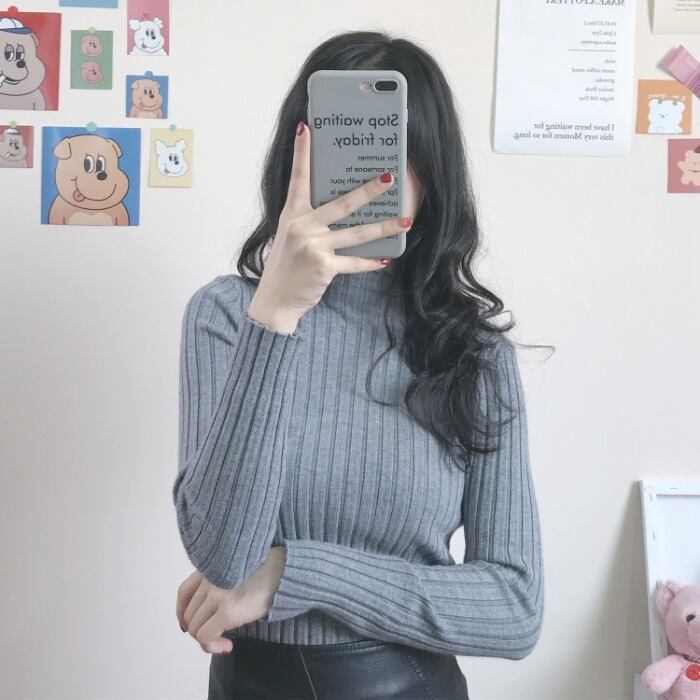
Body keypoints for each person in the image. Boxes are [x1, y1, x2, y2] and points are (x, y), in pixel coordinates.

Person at [172, 30, 546, 700]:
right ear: (297, 160)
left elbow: (514, 609)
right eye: (346, 146)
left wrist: (294, 573)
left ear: (431, 175)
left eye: (393, 151)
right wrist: (276, 315)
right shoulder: (227, 318)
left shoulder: (475, 354)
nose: (368, 176)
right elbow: (223, 557)